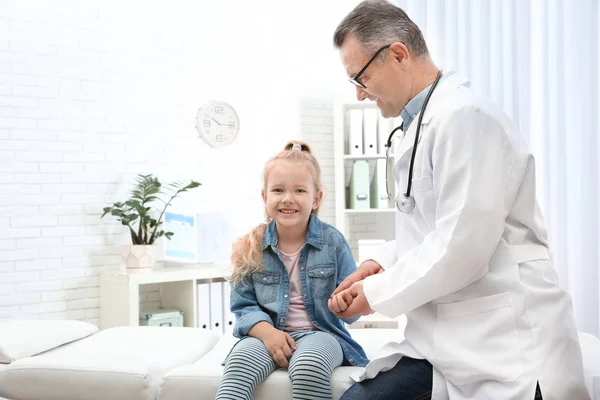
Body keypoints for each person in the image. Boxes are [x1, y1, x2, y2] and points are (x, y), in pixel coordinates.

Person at [328, 1, 589, 400]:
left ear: (398, 54)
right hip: (444, 338)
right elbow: (429, 227)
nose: (361, 95)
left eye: (360, 78)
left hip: (505, 342)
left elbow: (461, 246)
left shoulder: (467, 117)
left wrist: (375, 294)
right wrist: (376, 264)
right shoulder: (419, 127)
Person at [216, 140, 368, 400]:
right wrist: (268, 333)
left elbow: (353, 310)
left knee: (309, 366)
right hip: (267, 334)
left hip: (321, 334)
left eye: (299, 190)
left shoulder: (334, 243)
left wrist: (346, 304)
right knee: (240, 362)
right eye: (277, 190)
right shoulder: (249, 247)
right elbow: (243, 307)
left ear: (316, 198)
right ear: (265, 196)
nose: (288, 199)